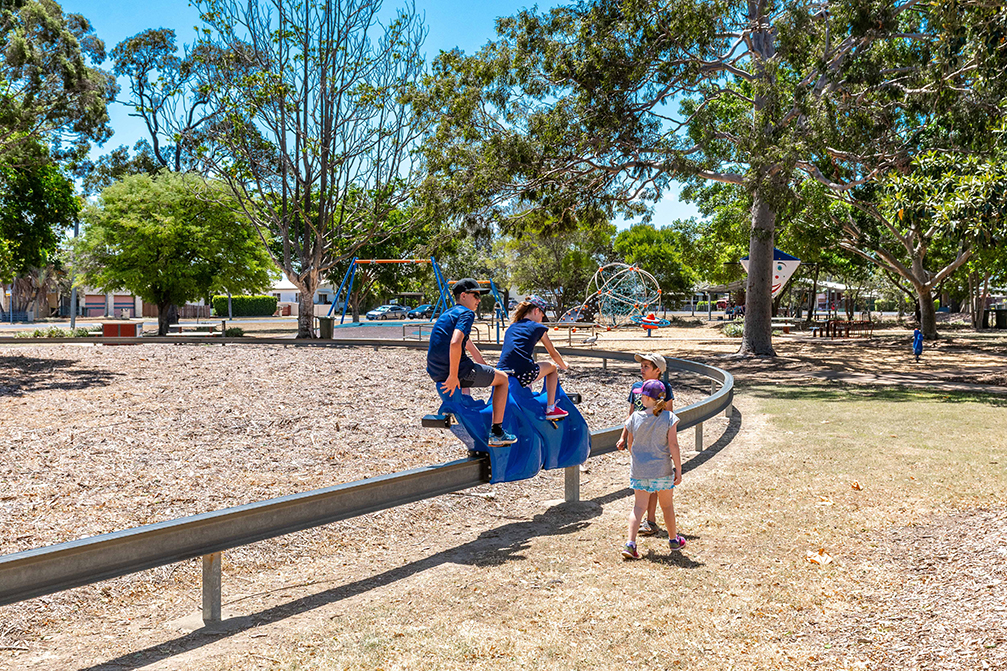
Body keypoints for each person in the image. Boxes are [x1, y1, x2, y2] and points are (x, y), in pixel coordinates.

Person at [427, 278, 516, 447]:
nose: (479, 300)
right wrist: (454, 376)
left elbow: (466, 343)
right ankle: (497, 432)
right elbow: (455, 343)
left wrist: (486, 366)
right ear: (463, 295)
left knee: (487, 375)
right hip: (456, 372)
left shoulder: (448, 314)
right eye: (475, 295)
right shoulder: (467, 314)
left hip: (436, 371)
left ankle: (469, 415)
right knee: (503, 379)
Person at [620, 379, 684, 559]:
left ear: (647, 398)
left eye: (641, 394)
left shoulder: (634, 418)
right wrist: (678, 469)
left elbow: (630, 444)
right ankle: (673, 540)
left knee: (638, 507)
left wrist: (639, 460)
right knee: (667, 506)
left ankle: (630, 544)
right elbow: (673, 445)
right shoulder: (669, 418)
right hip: (662, 470)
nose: (639, 396)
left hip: (639, 471)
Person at [617, 353, 675, 537]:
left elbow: (669, 414)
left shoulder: (665, 388)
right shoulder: (636, 388)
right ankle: (647, 522)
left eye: (646, 367)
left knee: (655, 484)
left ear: (658, 370)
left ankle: (650, 520)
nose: (642, 370)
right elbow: (631, 414)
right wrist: (623, 437)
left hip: (656, 444)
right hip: (639, 443)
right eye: (641, 366)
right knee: (644, 482)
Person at [497, 295, 570, 420]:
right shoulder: (538, 328)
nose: (542, 319)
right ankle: (551, 409)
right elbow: (552, 353)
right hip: (523, 373)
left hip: (501, 372)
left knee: (528, 363)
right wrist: (564, 365)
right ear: (536, 311)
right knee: (552, 368)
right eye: (542, 315)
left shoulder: (512, 327)